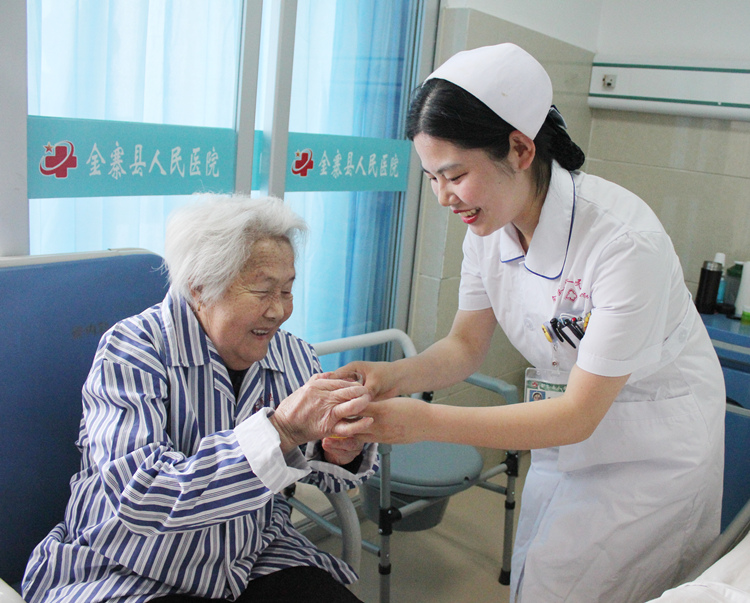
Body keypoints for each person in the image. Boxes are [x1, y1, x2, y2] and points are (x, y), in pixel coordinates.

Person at [338, 43, 725, 603]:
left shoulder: (623, 243)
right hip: (563, 435)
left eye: (455, 175)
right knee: (536, 575)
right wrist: (391, 377)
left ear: (520, 148)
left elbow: (579, 415)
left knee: (573, 587)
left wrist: (423, 421)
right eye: (431, 178)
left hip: (650, 452)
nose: (443, 197)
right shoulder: (488, 228)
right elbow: (464, 346)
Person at [23, 194, 377, 603]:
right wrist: (279, 432)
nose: (279, 311)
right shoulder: (132, 349)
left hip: (253, 554)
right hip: (131, 566)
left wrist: (338, 452)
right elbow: (141, 496)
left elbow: (323, 472)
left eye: (287, 289)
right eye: (263, 290)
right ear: (200, 288)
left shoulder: (293, 354)